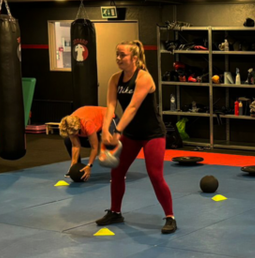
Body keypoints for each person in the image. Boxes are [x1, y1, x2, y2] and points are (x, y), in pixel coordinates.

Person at [96, 41, 176, 234]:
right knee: (117, 172)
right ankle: (115, 212)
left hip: (152, 134)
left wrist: (117, 132)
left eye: (122, 55)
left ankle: (170, 217)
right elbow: (111, 106)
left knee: (155, 175)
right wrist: (105, 130)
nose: (118, 58)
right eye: (117, 54)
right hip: (131, 134)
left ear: (134, 57)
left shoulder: (144, 77)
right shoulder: (115, 79)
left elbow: (132, 107)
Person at [58, 105, 107, 181]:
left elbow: (94, 147)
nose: (73, 136)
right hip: (92, 124)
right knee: (68, 140)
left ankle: (118, 171)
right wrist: (73, 166)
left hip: (108, 117)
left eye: (74, 134)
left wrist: (89, 165)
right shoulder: (69, 124)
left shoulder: (87, 123)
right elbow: (75, 146)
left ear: (77, 128)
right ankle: (78, 166)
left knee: (111, 143)